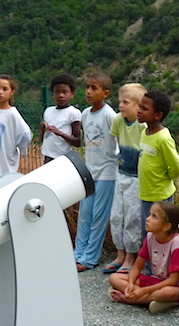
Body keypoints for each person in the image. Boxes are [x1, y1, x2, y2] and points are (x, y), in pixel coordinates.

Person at [108, 201, 179, 314]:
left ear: (166, 226)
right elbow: (137, 266)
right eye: (150, 214)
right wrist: (130, 283)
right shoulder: (150, 237)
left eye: (154, 216)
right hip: (155, 280)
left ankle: (132, 299)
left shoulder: (177, 244)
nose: (148, 218)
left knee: (167, 293)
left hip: (177, 287)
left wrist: (143, 291)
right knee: (114, 278)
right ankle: (150, 299)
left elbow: (173, 280)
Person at [101, 83, 147, 274]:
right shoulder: (119, 121)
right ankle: (120, 254)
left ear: (138, 106)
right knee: (117, 215)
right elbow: (118, 143)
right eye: (120, 101)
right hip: (122, 173)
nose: (121, 105)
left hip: (137, 178)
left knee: (132, 217)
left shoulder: (142, 125)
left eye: (126, 102)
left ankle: (131, 256)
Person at [74, 73, 117, 272]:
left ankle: (90, 258)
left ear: (105, 93)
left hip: (107, 174)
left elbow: (117, 144)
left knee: (99, 217)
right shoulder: (84, 114)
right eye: (88, 87)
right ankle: (77, 253)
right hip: (89, 172)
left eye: (94, 88)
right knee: (85, 214)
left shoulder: (110, 116)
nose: (89, 92)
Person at [136, 91, 179, 242]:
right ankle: (149, 265)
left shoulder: (163, 138)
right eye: (139, 106)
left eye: (144, 108)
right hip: (146, 193)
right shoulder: (144, 132)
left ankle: (163, 265)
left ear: (158, 115)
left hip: (160, 195)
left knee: (161, 234)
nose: (139, 110)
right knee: (147, 233)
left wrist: (163, 180)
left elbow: (176, 168)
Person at [39, 74, 81, 164]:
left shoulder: (73, 113)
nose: (61, 95)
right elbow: (43, 139)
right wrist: (42, 129)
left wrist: (60, 133)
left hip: (63, 159)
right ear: (53, 94)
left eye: (64, 92)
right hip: (48, 157)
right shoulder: (48, 111)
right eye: (57, 92)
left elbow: (78, 142)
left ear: (72, 94)